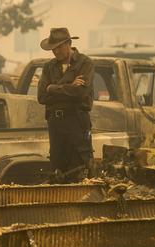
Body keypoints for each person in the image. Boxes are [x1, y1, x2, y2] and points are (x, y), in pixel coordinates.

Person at [37, 27, 94, 183]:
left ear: (69, 43)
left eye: (59, 47)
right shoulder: (49, 67)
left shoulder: (85, 63)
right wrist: (68, 86)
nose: (56, 52)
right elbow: (41, 96)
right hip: (55, 124)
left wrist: (52, 88)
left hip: (76, 121)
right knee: (57, 168)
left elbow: (80, 93)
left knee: (79, 166)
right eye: (53, 49)